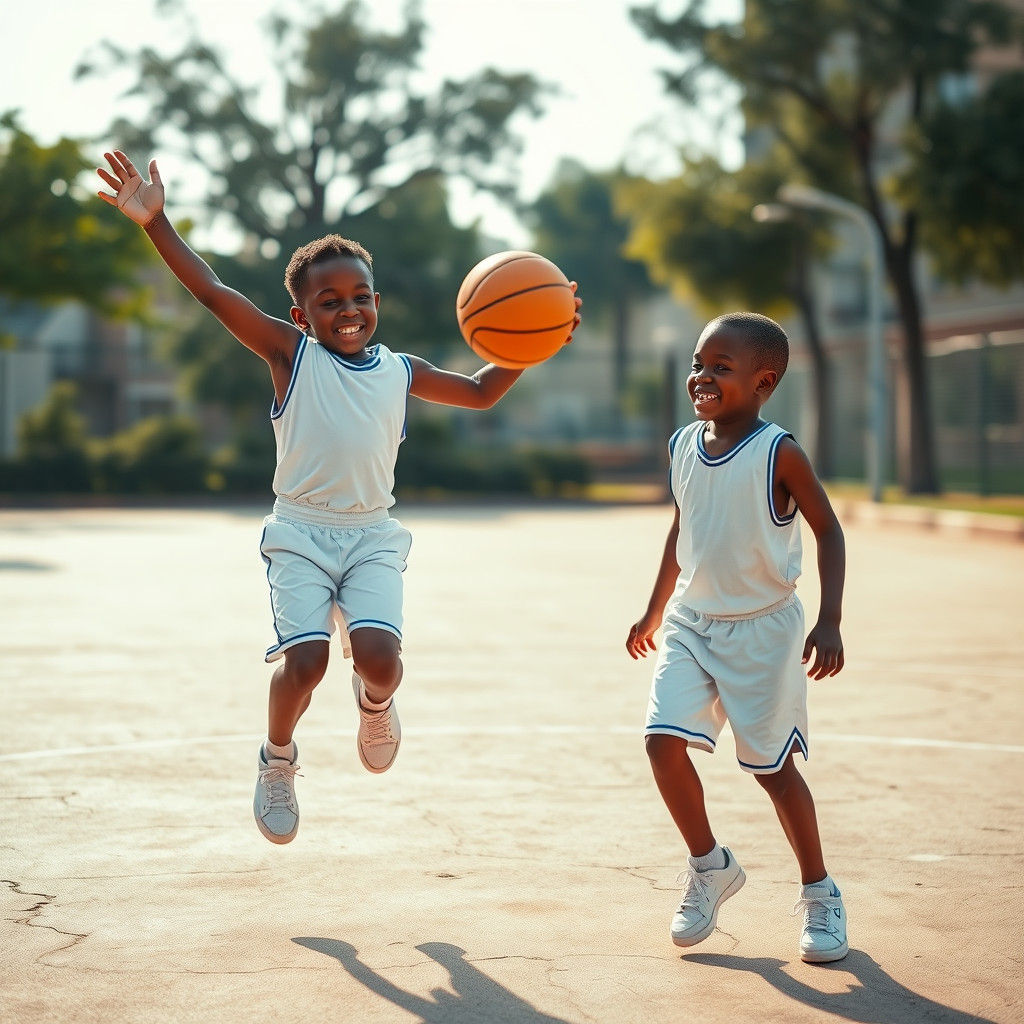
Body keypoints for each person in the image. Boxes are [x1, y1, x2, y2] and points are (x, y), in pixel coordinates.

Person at [97, 150, 581, 846]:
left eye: (359, 296)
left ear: (376, 303)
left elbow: (479, 391)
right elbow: (211, 291)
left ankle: (375, 703)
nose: (348, 309)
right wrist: (157, 223)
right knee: (308, 662)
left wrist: (546, 333)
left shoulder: (400, 370)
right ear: (302, 314)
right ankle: (278, 758)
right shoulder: (292, 356)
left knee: (381, 660)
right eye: (329, 301)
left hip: (371, 534)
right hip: (300, 532)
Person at [625, 312, 847, 963]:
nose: (701, 376)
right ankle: (710, 865)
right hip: (693, 625)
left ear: (763, 381)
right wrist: (653, 610)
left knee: (775, 774)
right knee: (661, 743)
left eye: (720, 367)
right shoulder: (681, 446)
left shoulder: (779, 451)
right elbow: (681, 531)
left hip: (763, 632)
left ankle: (819, 890)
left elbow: (829, 529)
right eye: (699, 363)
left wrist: (829, 618)